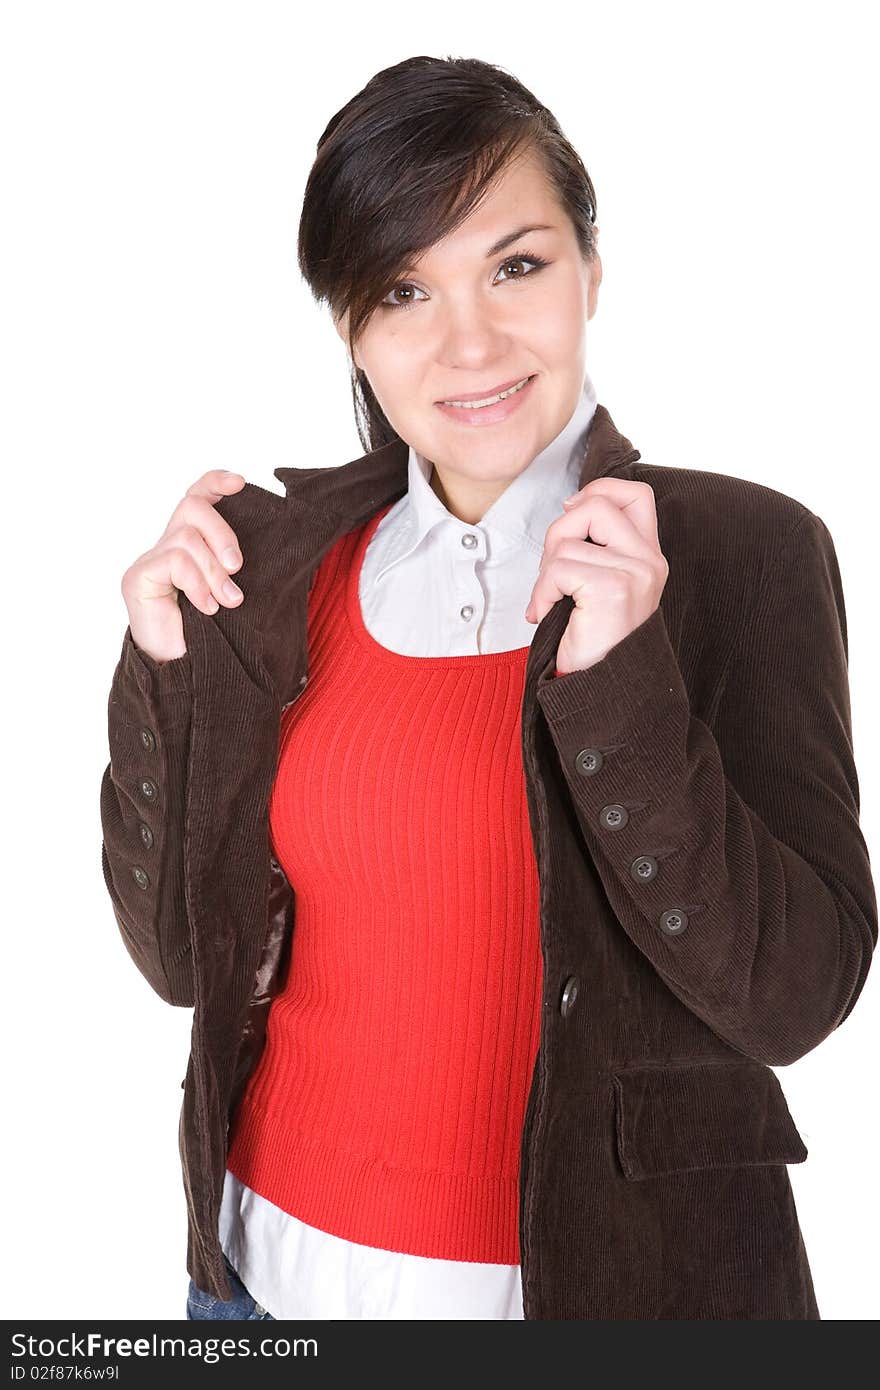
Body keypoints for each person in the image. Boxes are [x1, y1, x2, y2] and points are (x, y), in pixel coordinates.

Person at [100, 55, 877, 1321]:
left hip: (598, 1293)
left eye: (516, 266)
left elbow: (794, 997)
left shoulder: (740, 554)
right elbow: (180, 960)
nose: (469, 344)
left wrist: (621, 681)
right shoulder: (277, 561)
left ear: (590, 272)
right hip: (256, 1283)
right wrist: (161, 668)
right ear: (351, 326)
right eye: (404, 289)